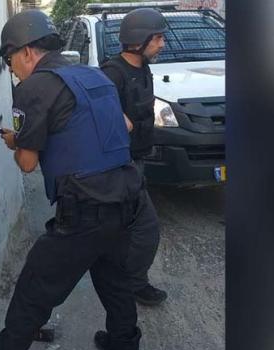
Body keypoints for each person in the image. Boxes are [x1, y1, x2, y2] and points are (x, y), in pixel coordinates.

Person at [0, 10, 147, 350]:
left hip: (85, 209)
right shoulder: (95, 75)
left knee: (33, 289)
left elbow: (27, 163)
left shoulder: (34, 88)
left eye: (9, 61)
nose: (12, 71)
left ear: (25, 52)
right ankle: (125, 345)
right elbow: (122, 126)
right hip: (127, 197)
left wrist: (18, 141)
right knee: (114, 276)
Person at [100, 7, 169, 306]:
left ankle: (125, 281)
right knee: (145, 229)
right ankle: (130, 285)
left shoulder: (142, 68)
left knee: (127, 228)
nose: (162, 44)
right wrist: (114, 116)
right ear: (140, 40)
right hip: (121, 167)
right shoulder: (112, 74)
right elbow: (95, 116)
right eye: (158, 38)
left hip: (137, 160)